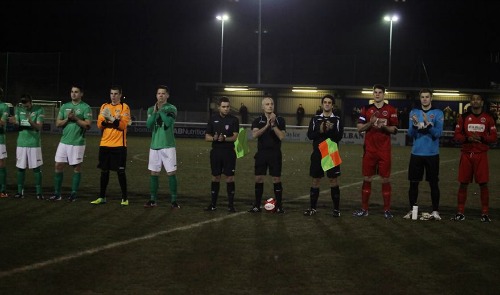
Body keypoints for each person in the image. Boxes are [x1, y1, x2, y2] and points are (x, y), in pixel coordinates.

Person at [353, 84, 398, 219]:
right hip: (370, 150)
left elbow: (395, 129)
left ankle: (386, 210)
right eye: (375, 92)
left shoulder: (390, 109)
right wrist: (370, 123)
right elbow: (359, 128)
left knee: (385, 179)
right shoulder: (366, 109)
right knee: (367, 178)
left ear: (384, 94)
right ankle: (364, 209)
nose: (377, 94)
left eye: (380, 92)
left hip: (384, 150)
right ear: (373, 94)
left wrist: (384, 127)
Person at [452, 94, 497, 222]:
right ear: (470, 102)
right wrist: (467, 138)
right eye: (473, 99)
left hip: (481, 154)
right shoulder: (464, 117)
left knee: (483, 184)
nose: (475, 101)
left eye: (478, 99)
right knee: (463, 183)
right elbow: (457, 135)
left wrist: (482, 138)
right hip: (466, 154)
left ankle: (485, 214)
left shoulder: (488, 118)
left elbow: (494, 137)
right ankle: (460, 212)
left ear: (482, 102)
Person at [403, 89, 444, 220]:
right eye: (422, 97)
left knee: (433, 183)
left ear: (431, 98)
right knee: (413, 183)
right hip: (416, 153)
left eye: (427, 97)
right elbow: (410, 134)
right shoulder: (414, 112)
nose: (425, 99)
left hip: (432, 154)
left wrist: (428, 126)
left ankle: (435, 211)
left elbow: (437, 134)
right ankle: (413, 211)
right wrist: (415, 126)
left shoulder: (438, 113)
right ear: (420, 98)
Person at [49, 85, 92, 202]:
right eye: (72, 92)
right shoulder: (64, 106)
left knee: (76, 167)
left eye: (76, 92)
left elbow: (88, 125)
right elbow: (57, 123)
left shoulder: (86, 107)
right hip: (64, 141)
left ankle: (73, 194)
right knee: (58, 165)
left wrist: (76, 119)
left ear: (81, 94)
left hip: (77, 142)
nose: (73, 94)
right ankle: (57, 194)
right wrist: (68, 119)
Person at [303, 94, 344, 216]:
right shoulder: (315, 119)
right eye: (325, 102)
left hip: (331, 151)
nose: (327, 104)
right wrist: (320, 130)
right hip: (317, 152)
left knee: (333, 180)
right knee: (315, 180)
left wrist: (330, 130)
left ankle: (336, 210)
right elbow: (310, 135)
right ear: (322, 104)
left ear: (332, 105)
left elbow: (339, 137)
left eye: (329, 102)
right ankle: (313, 208)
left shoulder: (337, 119)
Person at [90, 85, 131, 206]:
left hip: (119, 145)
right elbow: (99, 124)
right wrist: (114, 120)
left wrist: (110, 119)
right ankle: (102, 197)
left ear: (120, 94)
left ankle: (124, 198)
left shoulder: (124, 107)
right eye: (111, 94)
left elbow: (123, 125)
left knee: (120, 172)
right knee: (104, 171)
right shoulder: (104, 106)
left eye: (116, 94)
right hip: (105, 144)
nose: (113, 96)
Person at [248, 96, 286, 213]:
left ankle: (279, 206)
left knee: (276, 179)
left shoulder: (280, 120)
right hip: (261, 153)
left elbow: (281, 136)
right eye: (267, 104)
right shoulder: (257, 120)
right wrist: (266, 125)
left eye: (272, 104)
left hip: (275, 154)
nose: (270, 106)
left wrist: (273, 124)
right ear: (262, 107)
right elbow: (254, 135)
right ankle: (257, 205)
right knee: (259, 179)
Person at [144, 85, 179, 208]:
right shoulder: (150, 109)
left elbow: (168, 122)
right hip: (154, 146)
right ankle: (153, 199)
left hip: (168, 146)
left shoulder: (171, 108)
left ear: (167, 95)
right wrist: (154, 112)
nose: (161, 95)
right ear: (156, 95)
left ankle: (174, 200)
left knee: (171, 173)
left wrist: (160, 111)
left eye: (163, 93)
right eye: (159, 93)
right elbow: (148, 125)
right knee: (154, 173)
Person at [204, 96, 239, 212]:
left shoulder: (234, 119)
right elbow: (207, 137)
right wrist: (214, 138)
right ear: (219, 107)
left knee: (229, 178)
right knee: (215, 177)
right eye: (224, 107)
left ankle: (231, 205)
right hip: (216, 152)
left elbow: (234, 137)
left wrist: (224, 138)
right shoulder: (212, 119)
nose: (226, 109)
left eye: (228, 107)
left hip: (229, 152)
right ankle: (213, 204)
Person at [9, 94, 45, 199]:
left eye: (26, 103)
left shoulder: (39, 110)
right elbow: (17, 122)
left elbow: (39, 127)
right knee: (20, 168)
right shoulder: (18, 109)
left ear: (30, 102)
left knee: (36, 168)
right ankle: (20, 192)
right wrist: (13, 121)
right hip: (21, 143)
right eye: (23, 103)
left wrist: (30, 121)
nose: (25, 106)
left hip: (34, 143)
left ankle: (39, 193)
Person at [0, 87, 10, 198]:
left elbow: (2, 122)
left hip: (0, 139)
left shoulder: (4, 106)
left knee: (1, 163)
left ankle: (2, 190)